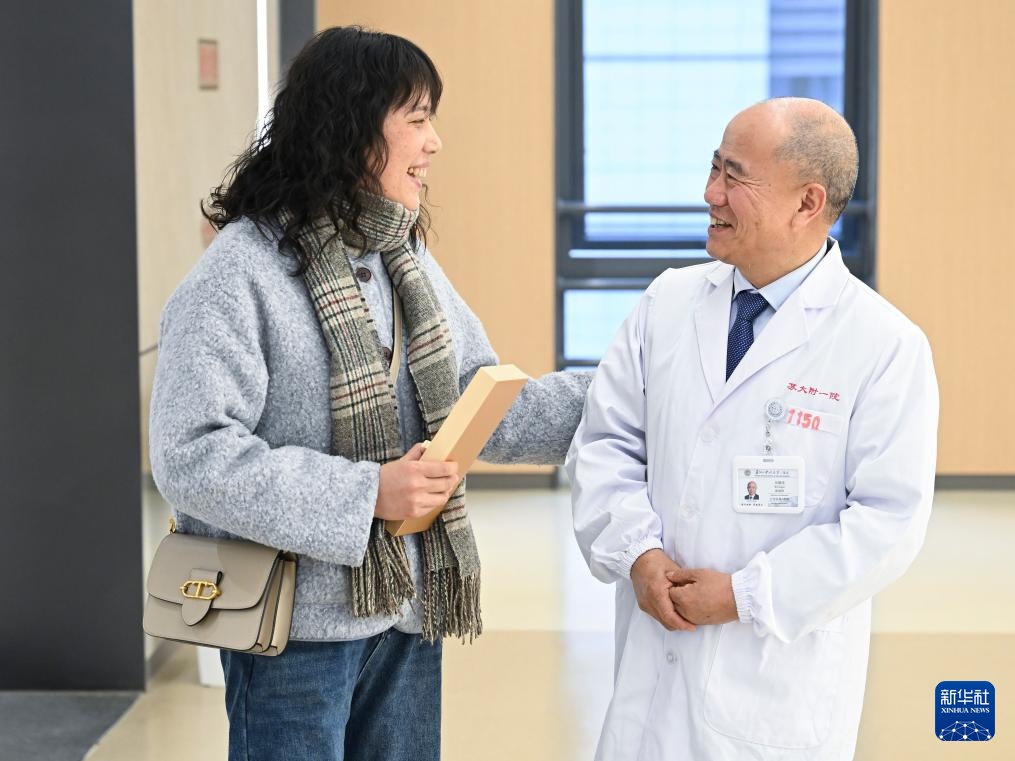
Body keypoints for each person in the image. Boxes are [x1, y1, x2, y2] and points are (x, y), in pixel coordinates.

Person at [150, 26, 590, 761]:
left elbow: (477, 404)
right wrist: (367, 494)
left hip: (404, 614)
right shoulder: (238, 275)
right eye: (416, 119)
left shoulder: (402, 258)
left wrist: (637, 394)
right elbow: (192, 455)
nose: (434, 143)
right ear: (351, 130)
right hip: (292, 635)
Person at [567, 97, 938, 760]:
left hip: (774, 690)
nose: (710, 193)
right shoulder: (667, 302)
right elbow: (606, 444)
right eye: (714, 168)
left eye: (734, 176)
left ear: (807, 202)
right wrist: (638, 554)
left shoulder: (883, 345)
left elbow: (888, 523)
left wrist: (744, 595)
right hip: (651, 676)